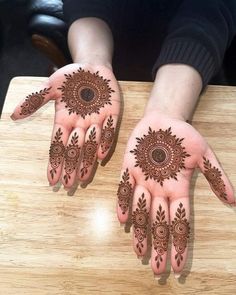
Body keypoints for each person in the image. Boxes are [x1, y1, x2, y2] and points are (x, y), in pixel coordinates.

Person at [10, 0, 236, 279]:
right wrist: (91, 59)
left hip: (190, 74)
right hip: (110, 43)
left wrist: (168, 109)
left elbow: (212, 8)